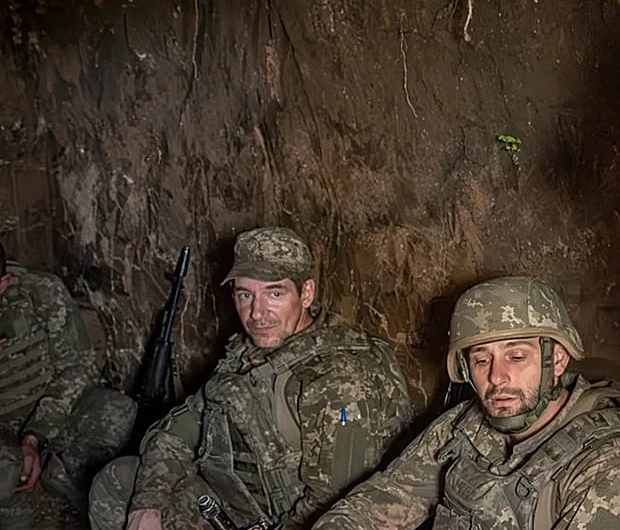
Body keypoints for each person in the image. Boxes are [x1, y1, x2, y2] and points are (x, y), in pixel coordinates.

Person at [88, 226, 413, 530]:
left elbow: (338, 509)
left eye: (274, 294)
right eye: (245, 295)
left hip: (305, 523)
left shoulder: (342, 380)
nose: (257, 314)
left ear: (307, 293)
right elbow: (179, 431)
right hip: (234, 507)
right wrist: (149, 502)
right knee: (122, 481)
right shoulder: (249, 351)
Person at [312, 275, 620, 530]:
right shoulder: (466, 426)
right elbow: (384, 500)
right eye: (481, 360)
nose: (496, 377)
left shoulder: (613, 462)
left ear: (559, 360)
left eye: (516, 357)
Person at [0, 239, 137, 530]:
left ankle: (62, 475)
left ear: (4, 283)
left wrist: (35, 437)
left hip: (50, 416)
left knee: (116, 411)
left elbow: (78, 367)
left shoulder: (39, 292)